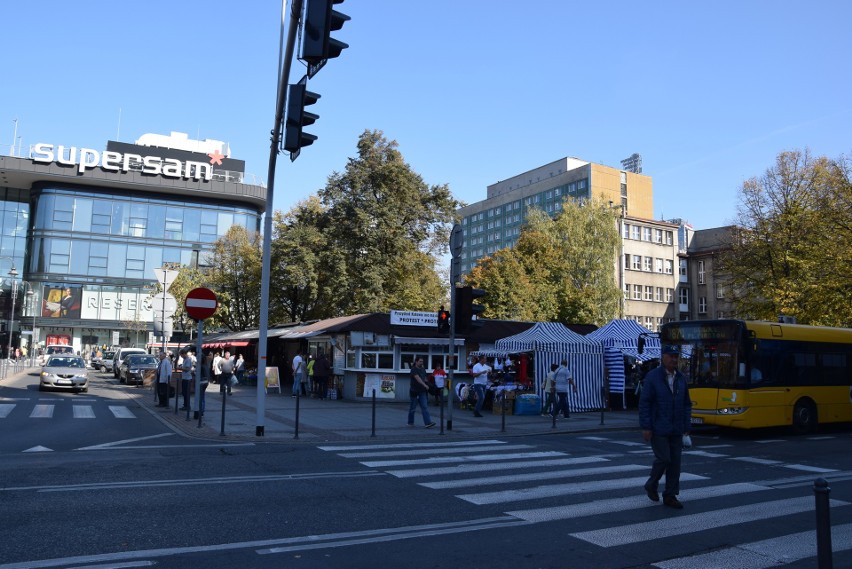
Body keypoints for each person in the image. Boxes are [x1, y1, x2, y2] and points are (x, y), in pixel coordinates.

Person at [639, 344, 692, 509]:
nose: (674, 359)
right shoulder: (653, 377)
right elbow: (645, 403)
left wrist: (686, 424)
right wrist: (646, 426)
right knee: (664, 459)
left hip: (676, 427)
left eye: (676, 356)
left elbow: (686, 403)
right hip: (658, 426)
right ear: (663, 357)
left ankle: (670, 495)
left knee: (675, 463)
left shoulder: (681, 378)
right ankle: (651, 484)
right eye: (671, 356)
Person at [408, 357, 436, 428]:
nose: (421, 363)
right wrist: (424, 385)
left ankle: (428, 423)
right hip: (414, 391)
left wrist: (429, 384)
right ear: (416, 362)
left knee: (424, 407)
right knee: (413, 408)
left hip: (422, 391)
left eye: (422, 361)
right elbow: (418, 378)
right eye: (420, 361)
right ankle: (410, 422)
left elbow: (424, 378)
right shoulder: (413, 369)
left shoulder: (423, 369)